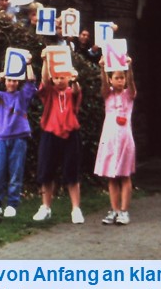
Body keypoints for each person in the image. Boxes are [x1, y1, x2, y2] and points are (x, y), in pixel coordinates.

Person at [0, 54, 37, 218]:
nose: (11, 83)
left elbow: (31, 83)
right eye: (9, 80)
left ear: (18, 82)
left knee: (15, 173)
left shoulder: (22, 96)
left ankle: (12, 203)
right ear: (5, 82)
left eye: (14, 81)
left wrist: (28, 64)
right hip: (1, 139)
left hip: (19, 139)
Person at [32, 49, 85, 224]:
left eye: (63, 77)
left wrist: (75, 79)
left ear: (68, 77)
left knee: (72, 172)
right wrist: (47, 60)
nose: (59, 80)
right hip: (50, 133)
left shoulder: (72, 91)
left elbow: (77, 90)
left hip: (70, 133)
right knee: (46, 172)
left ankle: (76, 209)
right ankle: (46, 207)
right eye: (57, 77)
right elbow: (44, 80)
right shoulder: (49, 92)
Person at [94, 57, 138, 225]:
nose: (120, 80)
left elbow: (132, 84)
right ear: (111, 79)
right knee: (112, 177)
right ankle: (115, 209)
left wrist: (129, 67)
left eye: (122, 77)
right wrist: (103, 68)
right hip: (110, 139)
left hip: (125, 139)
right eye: (117, 78)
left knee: (125, 175)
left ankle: (124, 211)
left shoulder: (129, 95)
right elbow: (104, 86)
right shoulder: (108, 94)